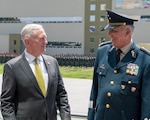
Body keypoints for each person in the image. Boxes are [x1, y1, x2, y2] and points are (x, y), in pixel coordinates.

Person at [87, 9, 150, 120]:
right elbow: (94, 92)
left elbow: (147, 104)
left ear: (127, 32)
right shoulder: (102, 52)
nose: (109, 34)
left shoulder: (144, 60)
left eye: (114, 31)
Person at [1, 24, 71, 120]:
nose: (46, 42)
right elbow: (6, 102)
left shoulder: (53, 62)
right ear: (27, 41)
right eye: (41, 39)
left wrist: (66, 118)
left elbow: (61, 94)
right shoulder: (12, 67)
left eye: (45, 38)